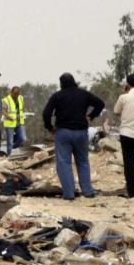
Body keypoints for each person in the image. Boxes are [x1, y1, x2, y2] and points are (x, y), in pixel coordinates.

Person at [42, 72, 105, 200]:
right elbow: (100, 104)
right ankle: (87, 191)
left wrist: (50, 128)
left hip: (63, 133)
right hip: (81, 132)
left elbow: (46, 113)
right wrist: (91, 116)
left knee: (64, 163)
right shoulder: (83, 94)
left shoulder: (57, 96)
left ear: (61, 84)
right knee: (83, 162)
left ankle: (69, 194)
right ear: (74, 81)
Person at [1, 86, 26, 154]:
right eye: (15, 94)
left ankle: (11, 148)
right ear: (11, 92)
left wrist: (24, 113)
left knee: (23, 138)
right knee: (10, 141)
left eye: (17, 94)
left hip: (19, 122)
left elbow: (22, 108)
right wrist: (9, 117)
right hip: (10, 124)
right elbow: (4, 111)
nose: (16, 96)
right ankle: (9, 156)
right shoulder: (6, 100)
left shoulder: (20, 98)